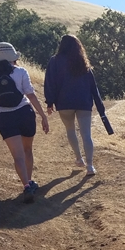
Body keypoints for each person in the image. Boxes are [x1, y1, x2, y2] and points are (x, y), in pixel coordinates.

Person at [0, 42, 50, 203]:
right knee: (27, 150)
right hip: (24, 114)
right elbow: (31, 94)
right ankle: (30, 181)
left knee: (17, 156)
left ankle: (26, 185)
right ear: (13, 57)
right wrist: (43, 116)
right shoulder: (20, 72)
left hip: (5, 118)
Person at [44, 35, 106, 177]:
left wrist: (49, 102)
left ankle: (79, 159)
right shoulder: (83, 62)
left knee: (70, 130)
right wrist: (100, 107)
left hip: (64, 102)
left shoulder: (54, 61)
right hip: (83, 102)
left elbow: (50, 82)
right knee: (86, 135)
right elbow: (93, 87)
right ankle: (90, 166)